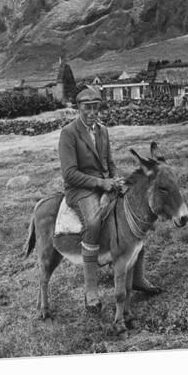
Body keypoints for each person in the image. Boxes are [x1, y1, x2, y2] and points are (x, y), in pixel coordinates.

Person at [58, 87, 121, 312]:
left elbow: (109, 162)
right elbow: (70, 174)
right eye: (87, 108)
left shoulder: (103, 130)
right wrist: (100, 184)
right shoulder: (69, 133)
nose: (92, 112)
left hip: (104, 182)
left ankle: (138, 278)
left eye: (96, 107)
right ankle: (91, 290)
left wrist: (115, 179)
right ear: (78, 108)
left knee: (133, 213)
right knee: (93, 223)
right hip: (80, 190)